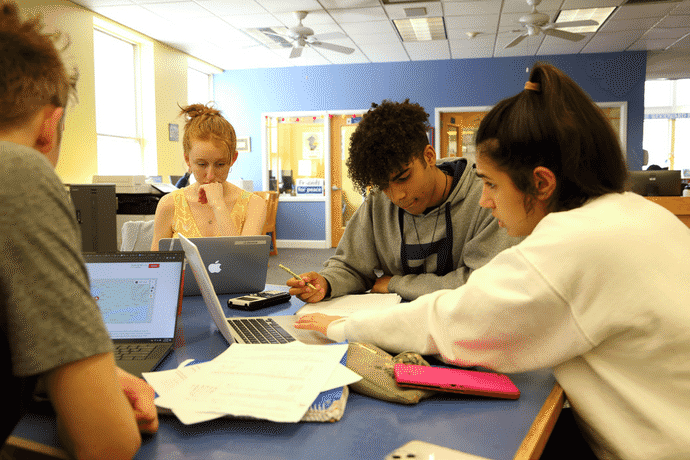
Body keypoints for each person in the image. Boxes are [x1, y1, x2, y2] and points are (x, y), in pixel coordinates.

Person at [295, 64, 690, 459]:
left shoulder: (571, 244)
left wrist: (341, 326)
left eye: (491, 184)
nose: (484, 200)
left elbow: (454, 322)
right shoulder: (639, 213)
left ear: (541, 183)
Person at [0, 2, 157, 458]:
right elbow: (107, 444)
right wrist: (93, 394)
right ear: (49, 126)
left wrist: (77, 377)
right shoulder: (19, 171)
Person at [288, 100, 521, 302]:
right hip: (394, 324)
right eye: (384, 185)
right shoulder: (377, 203)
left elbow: (484, 283)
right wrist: (326, 283)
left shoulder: (487, 198)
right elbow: (351, 266)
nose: (397, 196)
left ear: (429, 156)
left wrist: (396, 284)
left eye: (403, 178)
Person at [151, 103, 267, 250]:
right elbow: (157, 262)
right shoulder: (169, 204)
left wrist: (218, 205)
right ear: (188, 160)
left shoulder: (254, 205)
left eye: (220, 164)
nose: (210, 176)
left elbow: (244, 261)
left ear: (232, 159)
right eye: (201, 164)